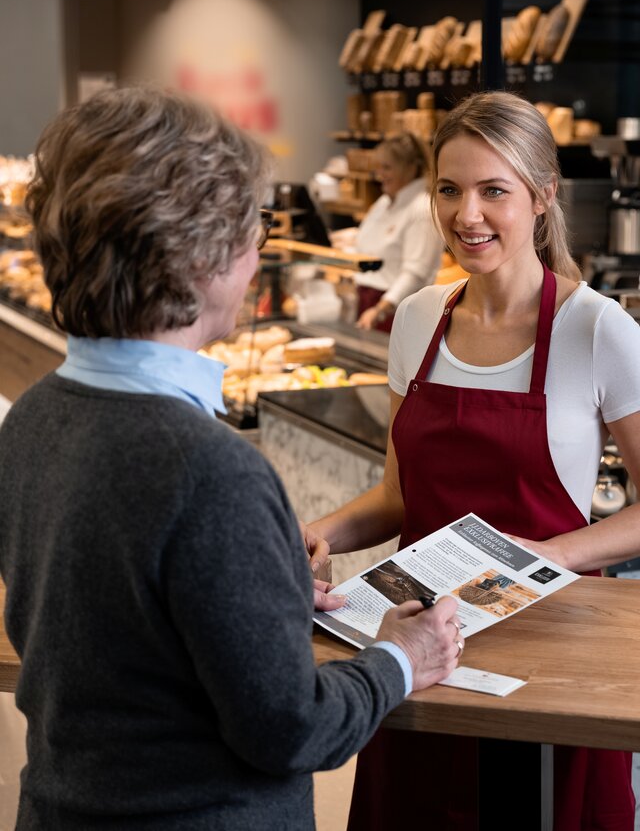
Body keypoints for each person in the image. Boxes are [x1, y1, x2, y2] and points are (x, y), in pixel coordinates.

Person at [0, 86, 463, 831]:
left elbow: (101, 626)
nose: (259, 249)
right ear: (195, 253)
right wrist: (400, 658)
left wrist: (252, 602)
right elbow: (291, 729)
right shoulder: (211, 470)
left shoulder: (32, 417)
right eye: (254, 224)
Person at [305, 91, 640, 831]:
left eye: (495, 191)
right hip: (419, 641)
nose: (468, 215)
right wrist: (317, 532)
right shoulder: (420, 316)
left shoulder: (597, 328)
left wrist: (547, 552)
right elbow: (398, 495)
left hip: (551, 646)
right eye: (451, 190)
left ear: (543, 197)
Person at [354, 131, 443, 332]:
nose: (379, 175)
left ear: (411, 168)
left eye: (387, 167)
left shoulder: (421, 209)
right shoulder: (383, 202)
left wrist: (380, 309)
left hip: (396, 311)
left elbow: (416, 274)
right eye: (379, 167)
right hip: (368, 303)